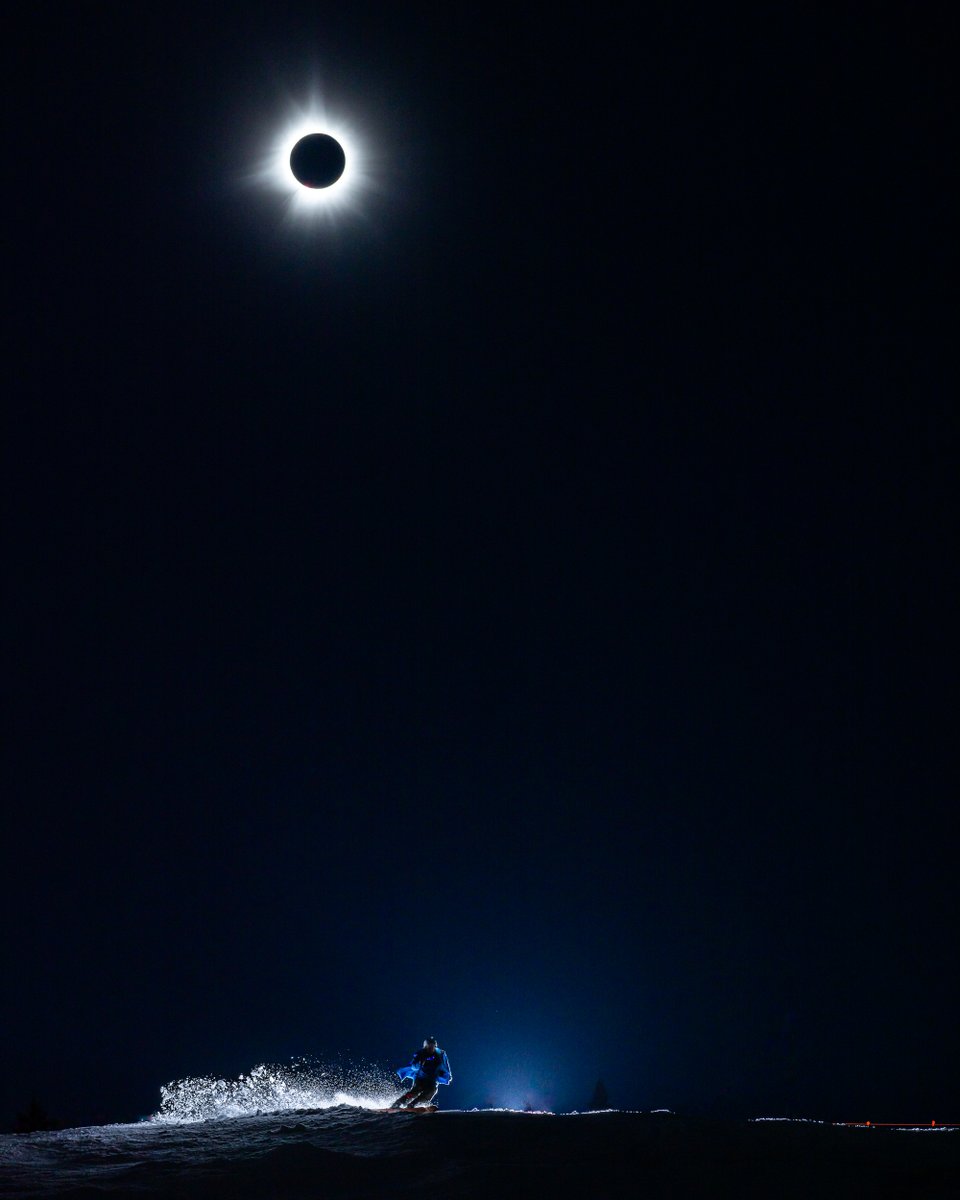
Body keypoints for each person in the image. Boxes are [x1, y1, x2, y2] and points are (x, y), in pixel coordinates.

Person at [394, 1036, 452, 1108]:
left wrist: (445, 1075)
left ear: (435, 1046)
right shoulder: (420, 1054)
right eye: (429, 1046)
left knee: (431, 1091)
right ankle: (398, 1103)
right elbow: (413, 1066)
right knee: (415, 1091)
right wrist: (419, 1063)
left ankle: (413, 1104)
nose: (430, 1048)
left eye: (432, 1046)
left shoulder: (440, 1054)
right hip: (421, 1078)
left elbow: (444, 1066)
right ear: (425, 1046)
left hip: (432, 1079)